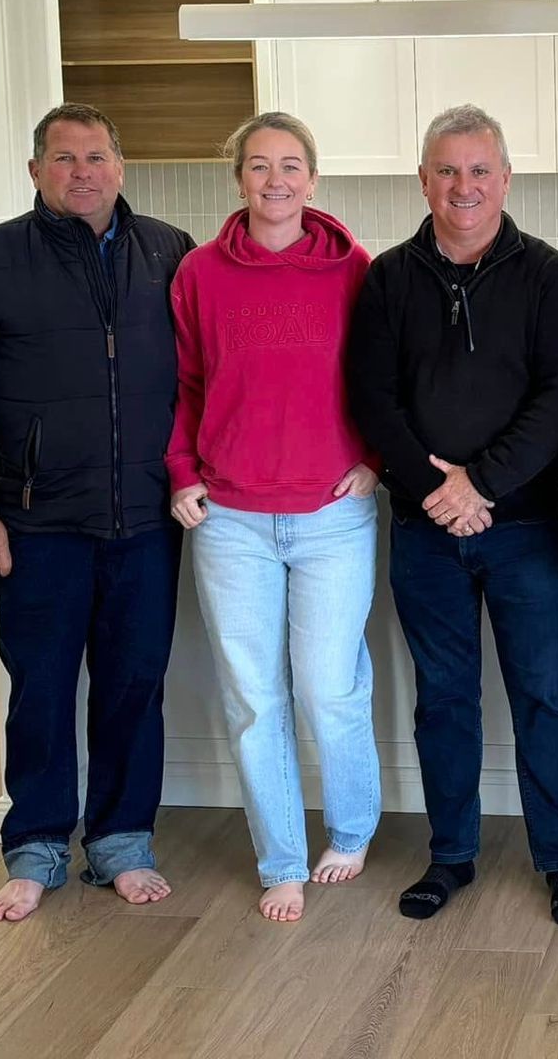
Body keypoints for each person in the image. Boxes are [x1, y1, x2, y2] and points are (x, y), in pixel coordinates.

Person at [0, 102, 195, 924]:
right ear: (36, 170)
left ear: (121, 167)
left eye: (96, 156)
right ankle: (35, 846)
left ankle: (121, 841)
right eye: (64, 158)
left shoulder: (168, 252)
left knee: (134, 688)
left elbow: (207, 377)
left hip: (146, 521)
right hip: (35, 525)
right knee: (39, 691)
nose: (82, 172)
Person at [344, 104, 558, 928]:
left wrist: (479, 484)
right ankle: (451, 855)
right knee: (444, 699)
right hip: (424, 532)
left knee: (542, 697)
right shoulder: (388, 279)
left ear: (506, 179)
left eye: (479, 170)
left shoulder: (548, 276)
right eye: (448, 171)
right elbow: (372, 399)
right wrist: (437, 490)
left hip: (522, 527)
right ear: (423, 181)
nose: (464, 186)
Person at [166, 113, 380, 924]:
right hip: (230, 521)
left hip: (332, 516)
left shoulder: (354, 269)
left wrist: (376, 461)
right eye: (259, 166)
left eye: (291, 165)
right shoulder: (199, 273)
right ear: (239, 180)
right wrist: (182, 472)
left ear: (313, 179)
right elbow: (183, 384)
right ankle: (281, 860)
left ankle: (352, 831)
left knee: (329, 688)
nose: (276, 180)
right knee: (254, 699)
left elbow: (382, 377)